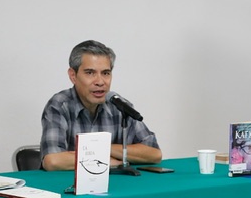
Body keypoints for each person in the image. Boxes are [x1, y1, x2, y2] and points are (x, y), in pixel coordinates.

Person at [40, 40, 162, 171]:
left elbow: (154, 153)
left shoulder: (118, 105)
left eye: (105, 73)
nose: (100, 81)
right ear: (73, 75)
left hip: (113, 182)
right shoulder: (59, 105)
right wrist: (108, 160)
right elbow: (53, 161)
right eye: (90, 73)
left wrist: (102, 148)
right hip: (67, 182)